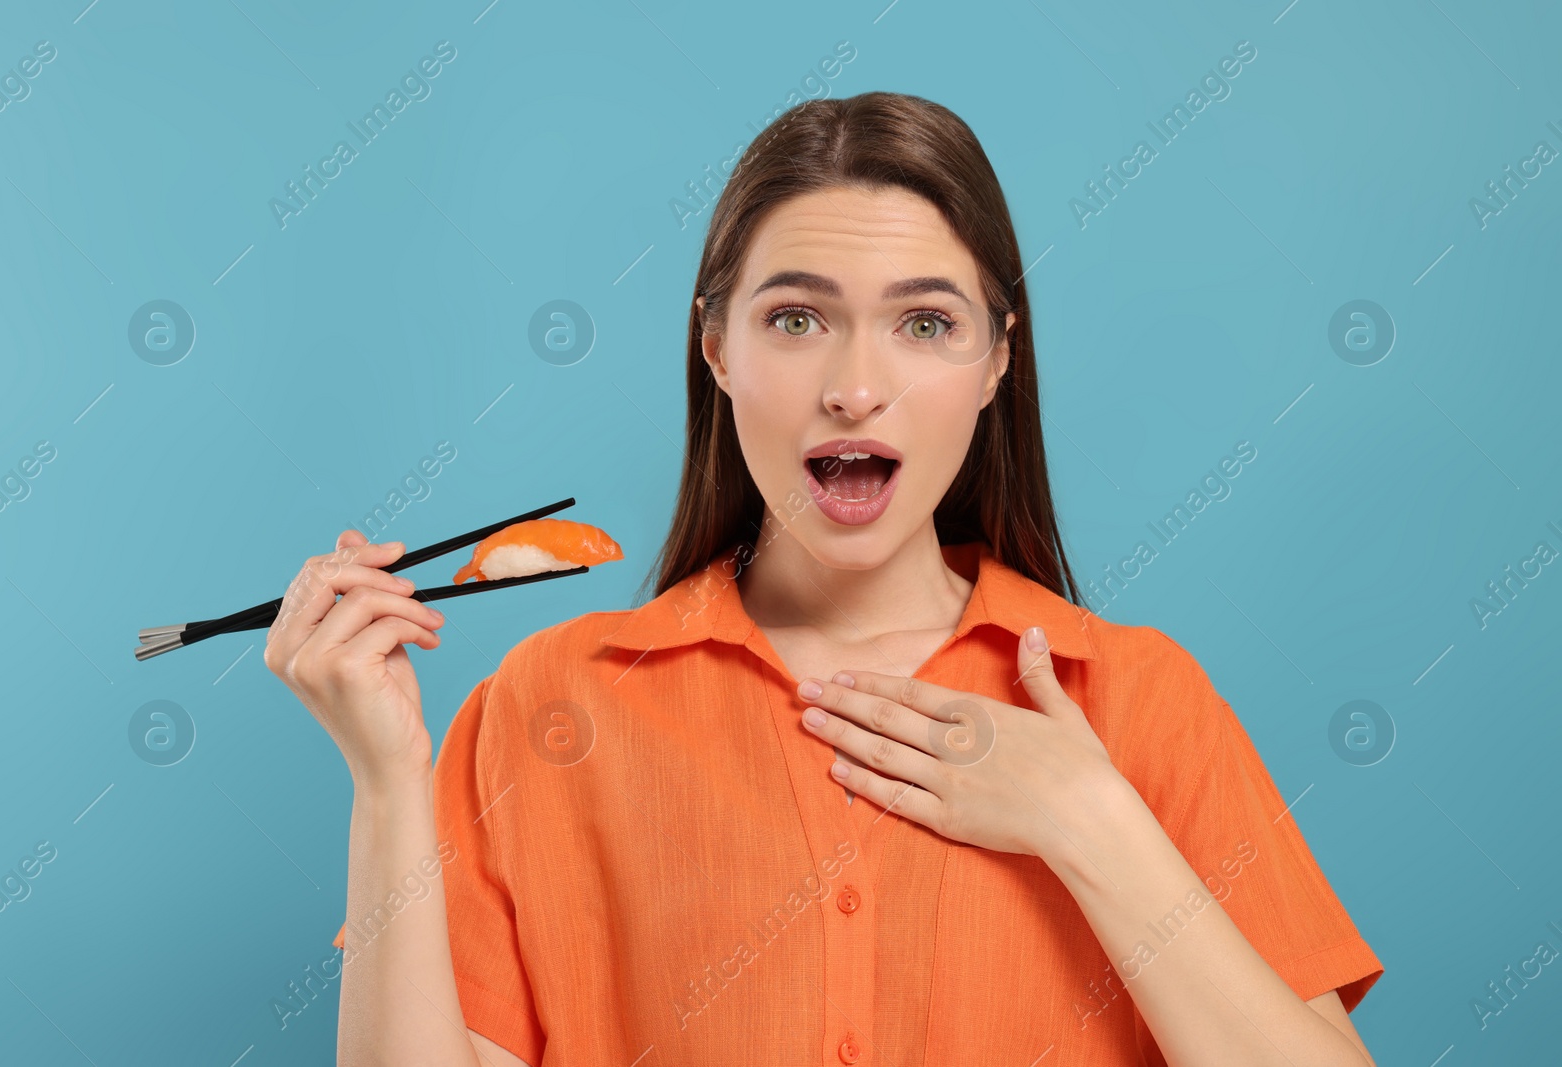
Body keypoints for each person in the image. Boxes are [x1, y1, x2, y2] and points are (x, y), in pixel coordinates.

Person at [264, 91, 1383, 1066]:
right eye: (795, 318)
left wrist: (1090, 818)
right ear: (715, 348)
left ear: (998, 357)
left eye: (925, 323)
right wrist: (387, 783)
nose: (856, 385)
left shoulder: (1139, 701)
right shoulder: (549, 705)